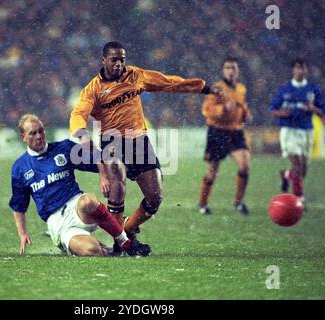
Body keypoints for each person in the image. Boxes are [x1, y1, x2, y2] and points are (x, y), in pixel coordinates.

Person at [69, 41, 221, 255]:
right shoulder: (93, 89)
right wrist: (80, 132)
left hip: (139, 141)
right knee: (117, 177)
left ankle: (128, 229)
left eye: (122, 59)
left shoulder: (135, 76)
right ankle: (119, 243)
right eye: (114, 60)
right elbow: (78, 114)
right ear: (104, 60)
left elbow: (169, 83)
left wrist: (203, 88)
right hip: (112, 141)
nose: (119, 64)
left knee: (155, 198)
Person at [9, 114, 141, 256]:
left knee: (88, 201)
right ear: (23, 137)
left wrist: (104, 175)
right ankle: (110, 240)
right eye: (32, 133)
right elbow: (18, 206)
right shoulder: (20, 168)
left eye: (41, 131)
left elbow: (95, 156)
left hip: (78, 207)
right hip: (58, 223)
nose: (39, 136)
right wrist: (22, 234)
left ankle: (124, 241)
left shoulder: (64, 148)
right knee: (92, 251)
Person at [198, 57, 253, 215]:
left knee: (245, 165)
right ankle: (203, 203)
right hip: (218, 131)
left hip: (236, 131)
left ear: (237, 71)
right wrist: (223, 108)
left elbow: (242, 106)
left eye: (233, 68)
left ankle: (238, 202)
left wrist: (246, 115)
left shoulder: (241, 89)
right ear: (223, 71)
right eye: (228, 68)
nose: (231, 71)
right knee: (213, 170)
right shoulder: (217, 88)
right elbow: (206, 110)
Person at [269, 58, 325, 206]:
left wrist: (313, 109)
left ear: (306, 70)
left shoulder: (313, 89)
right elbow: (273, 110)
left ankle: (286, 175)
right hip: (289, 131)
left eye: (303, 68)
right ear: (293, 70)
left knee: (302, 171)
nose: (300, 71)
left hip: (306, 131)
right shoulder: (285, 89)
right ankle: (298, 200)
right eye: (297, 68)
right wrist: (283, 113)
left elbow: (322, 111)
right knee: (298, 164)